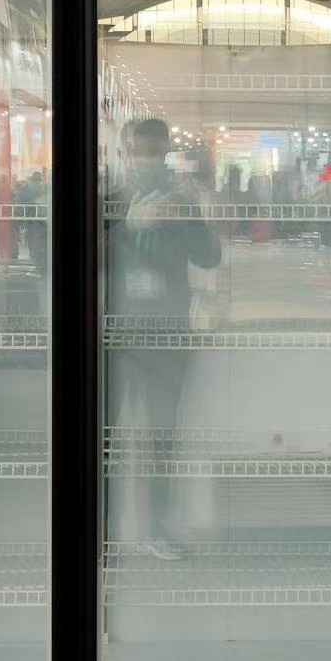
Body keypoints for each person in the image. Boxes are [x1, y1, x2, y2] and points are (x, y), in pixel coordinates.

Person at [106, 118, 221, 556]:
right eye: (139, 151)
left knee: (160, 437)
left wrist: (180, 219)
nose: (146, 160)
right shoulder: (108, 200)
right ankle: (102, 529)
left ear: (166, 153)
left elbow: (209, 257)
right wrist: (126, 227)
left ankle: (154, 529)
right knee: (103, 436)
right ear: (125, 153)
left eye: (154, 152)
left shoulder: (181, 201)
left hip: (167, 336)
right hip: (114, 336)